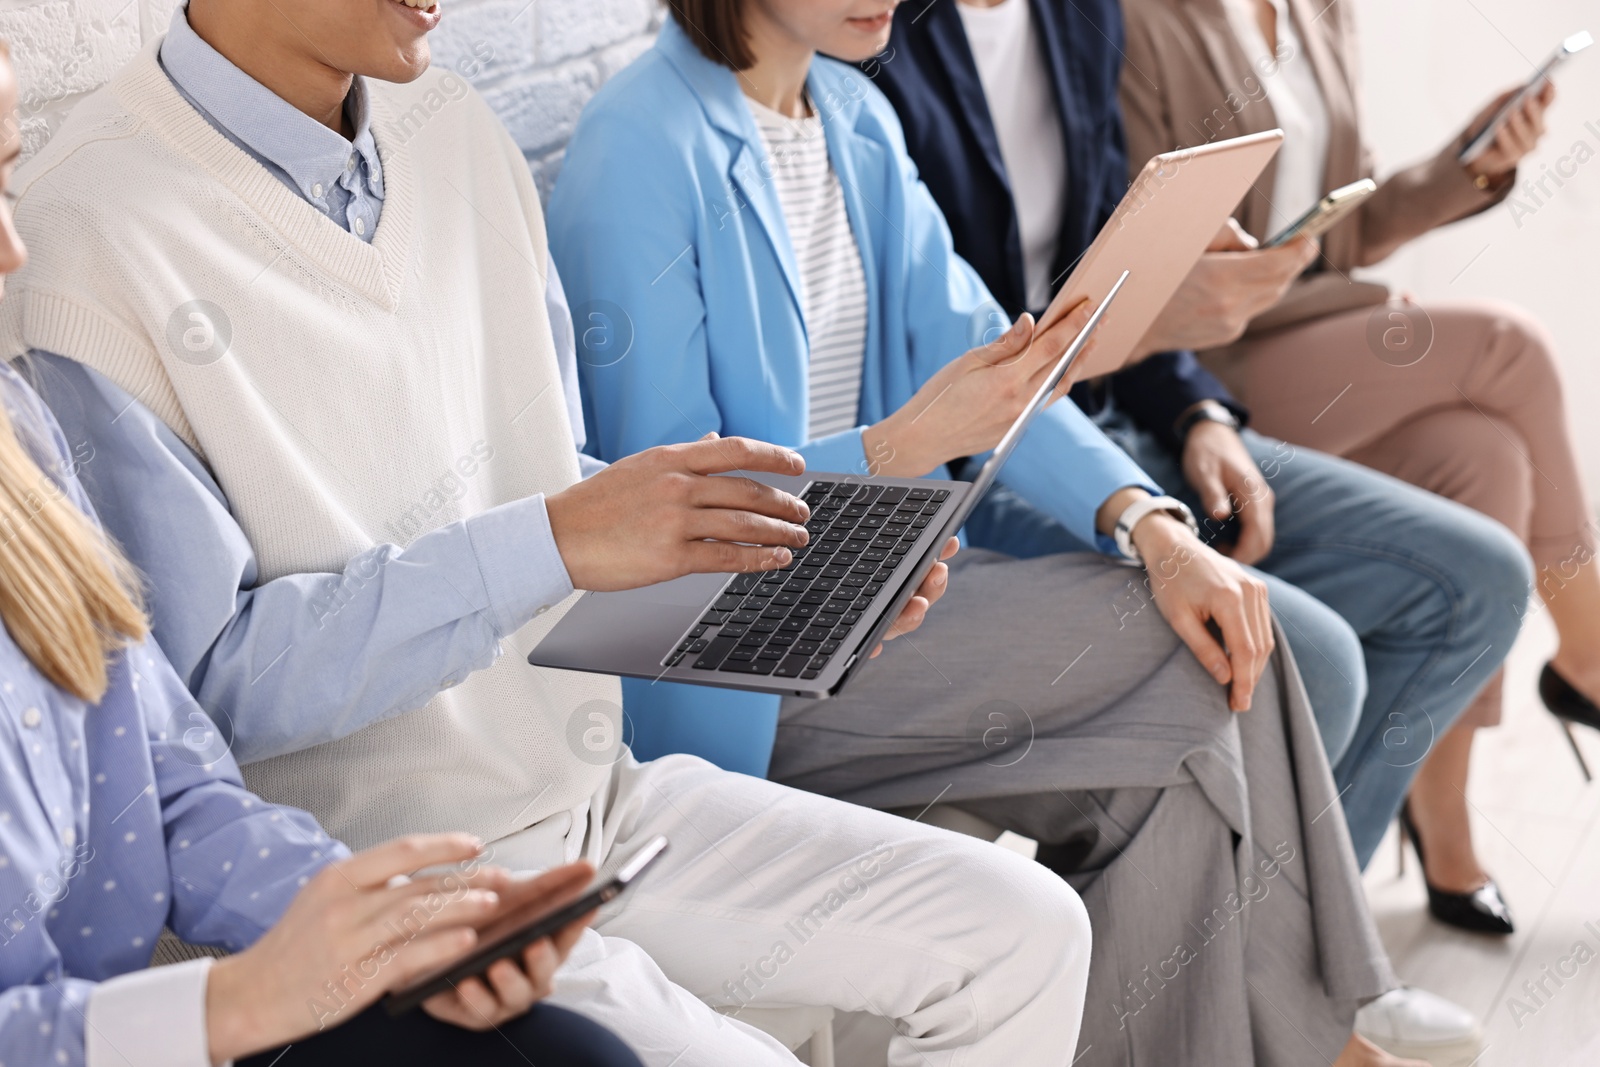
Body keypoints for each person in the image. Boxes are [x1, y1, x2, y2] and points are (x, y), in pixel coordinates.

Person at [0, 2, 1095, 1064]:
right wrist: (553, 542)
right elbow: (199, 697)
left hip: (593, 801)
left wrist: (776, 596)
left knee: (1024, 931)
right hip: (378, 873)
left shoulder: (456, 131)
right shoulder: (78, 231)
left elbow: (553, 504)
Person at [548, 3, 1443, 1064]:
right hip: (741, 661)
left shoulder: (848, 114)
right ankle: (1320, 1036)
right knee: (1192, 670)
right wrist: (896, 446)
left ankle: (1291, 1035)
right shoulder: (635, 153)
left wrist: (1153, 526)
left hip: (886, 592)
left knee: (1187, 736)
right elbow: (675, 520)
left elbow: (988, 350)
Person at [861, 0, 1537, 1060]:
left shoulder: (1074, 16)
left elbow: (1110, 255)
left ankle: (1305, 968)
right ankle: (1295, 999)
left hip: (1125, 409)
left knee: (1477, 576)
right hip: (988, 453)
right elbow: (947, 338)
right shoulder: (873, 38)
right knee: (1304, 649)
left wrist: (1197, 409)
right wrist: (1144, 344)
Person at [0, 43, 643, 1066]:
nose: (13, 251)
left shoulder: (16, 440)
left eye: (3, 176)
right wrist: (228, 1007)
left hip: (569, 795)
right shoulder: (97, 233)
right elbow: (222, 682)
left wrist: (386, 924)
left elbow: (170, 778)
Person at [1119, 0, 1590, 949]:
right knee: (1511, 346)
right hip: (1204, 359)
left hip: (1313, 328)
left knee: (1484, 455)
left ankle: (1441, 810)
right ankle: (1591, 650)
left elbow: (1346, 223)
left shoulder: (1314, 7)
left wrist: (1472, 161)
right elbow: (1143, 243)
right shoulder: (1130, 20)